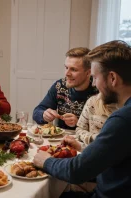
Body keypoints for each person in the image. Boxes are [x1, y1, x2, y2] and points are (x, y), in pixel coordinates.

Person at [33, 40, 131, 198]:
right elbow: (109, 154)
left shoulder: (122, 119)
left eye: (95, 77)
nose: (94, 84)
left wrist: (46, 161)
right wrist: (83, 147)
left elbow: (77, 171)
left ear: (112, 78)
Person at [32, 47, 98, 130]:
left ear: (88, 73)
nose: (67, 73)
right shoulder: (59, 86)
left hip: (85, 141)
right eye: (66, 68)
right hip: (60, 140)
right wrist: (43, 115)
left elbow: (103, 128)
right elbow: (36, 112)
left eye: (73, 69)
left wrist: (79, 123)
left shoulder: (98, 91)